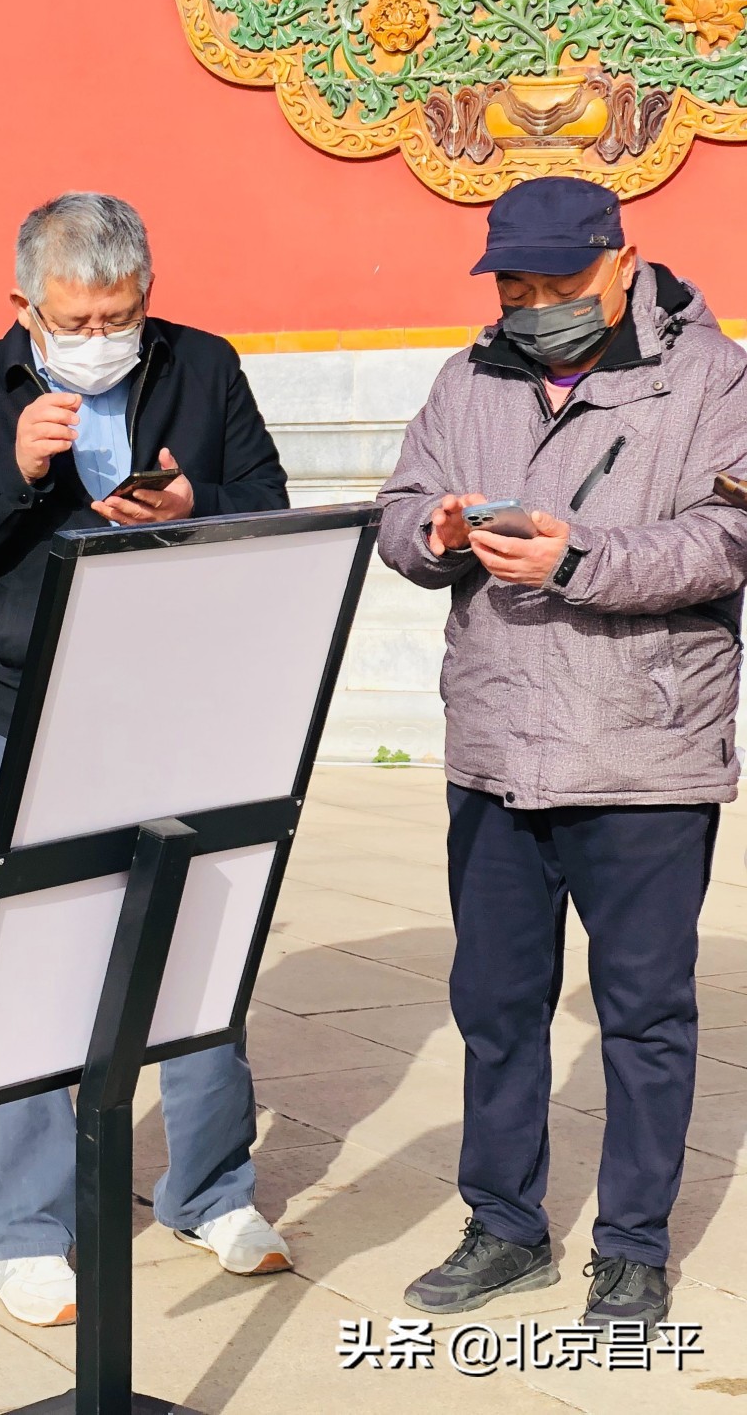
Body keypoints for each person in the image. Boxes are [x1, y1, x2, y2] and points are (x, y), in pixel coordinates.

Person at [0, 192, 293, 1328]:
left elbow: (262, 505)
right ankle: (23, 1227)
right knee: (29, 959)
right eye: (73, 317)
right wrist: (11, 479)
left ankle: (209, 1189)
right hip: (31, 711)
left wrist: (191, 500)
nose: (98, 333)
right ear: (22, 304)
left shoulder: (201, 370)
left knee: (198, 945)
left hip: (183, 703)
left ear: (147, 299)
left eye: (118, 312)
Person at [380, 177, 747, 1336]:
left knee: (640, 1013)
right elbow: (391, 511)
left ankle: (632, 1248)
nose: (533, 306)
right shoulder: (466, 376)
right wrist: (432, 536)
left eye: (558, 283)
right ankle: (502, 1226)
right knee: (495, 1004)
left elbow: (727, 535)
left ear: (622, 261)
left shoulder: (710, 378)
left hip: (643, 750)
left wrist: (577, 555)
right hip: (494, 747)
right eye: (513, 286)